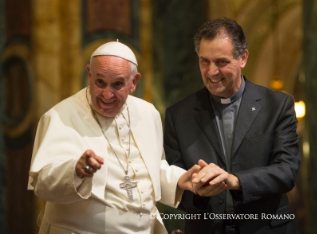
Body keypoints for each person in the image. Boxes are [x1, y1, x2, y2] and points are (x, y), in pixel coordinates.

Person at [28, 41, 199, 234]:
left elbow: (151, 167)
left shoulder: (147, 113)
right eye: (100, 82)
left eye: (117, 84)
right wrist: (76, 171)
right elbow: (42, 182)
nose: (107, 94)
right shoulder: (60, 116)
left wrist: (179, 180)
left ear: (134, 82)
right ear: (89, 74)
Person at [164, 18, 300, 234]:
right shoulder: (178, 115)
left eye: (221, 62)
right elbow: (173, 183)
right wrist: (195, 191)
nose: (211, 72)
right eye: (204, 61)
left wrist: (235, 181)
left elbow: (286, 171)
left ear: (242, 57)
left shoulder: (277, 106)